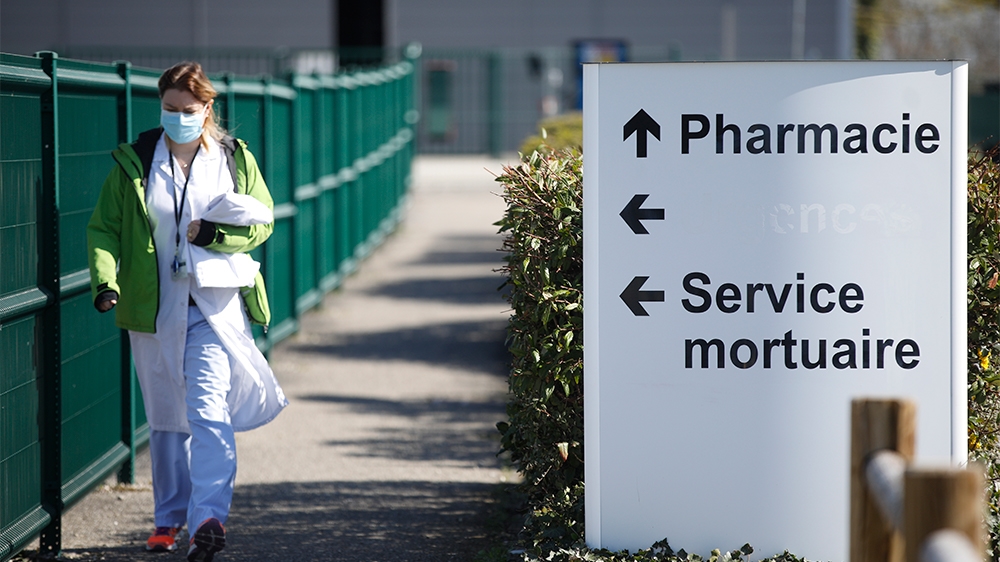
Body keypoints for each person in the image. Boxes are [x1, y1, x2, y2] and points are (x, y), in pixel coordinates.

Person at [86, 61, 288, 562]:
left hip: (213, 306)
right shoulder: (135, 161)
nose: (178, 117)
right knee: (165, 418)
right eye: (170, 109)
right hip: (153, 308)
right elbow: (104, 229)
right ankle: (167, 520)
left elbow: (262, 221)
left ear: (207, 109)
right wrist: (106, 281)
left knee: (206, 410)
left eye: (188, 110)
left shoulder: (233, 158)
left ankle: (208, 520)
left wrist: (214, 235)